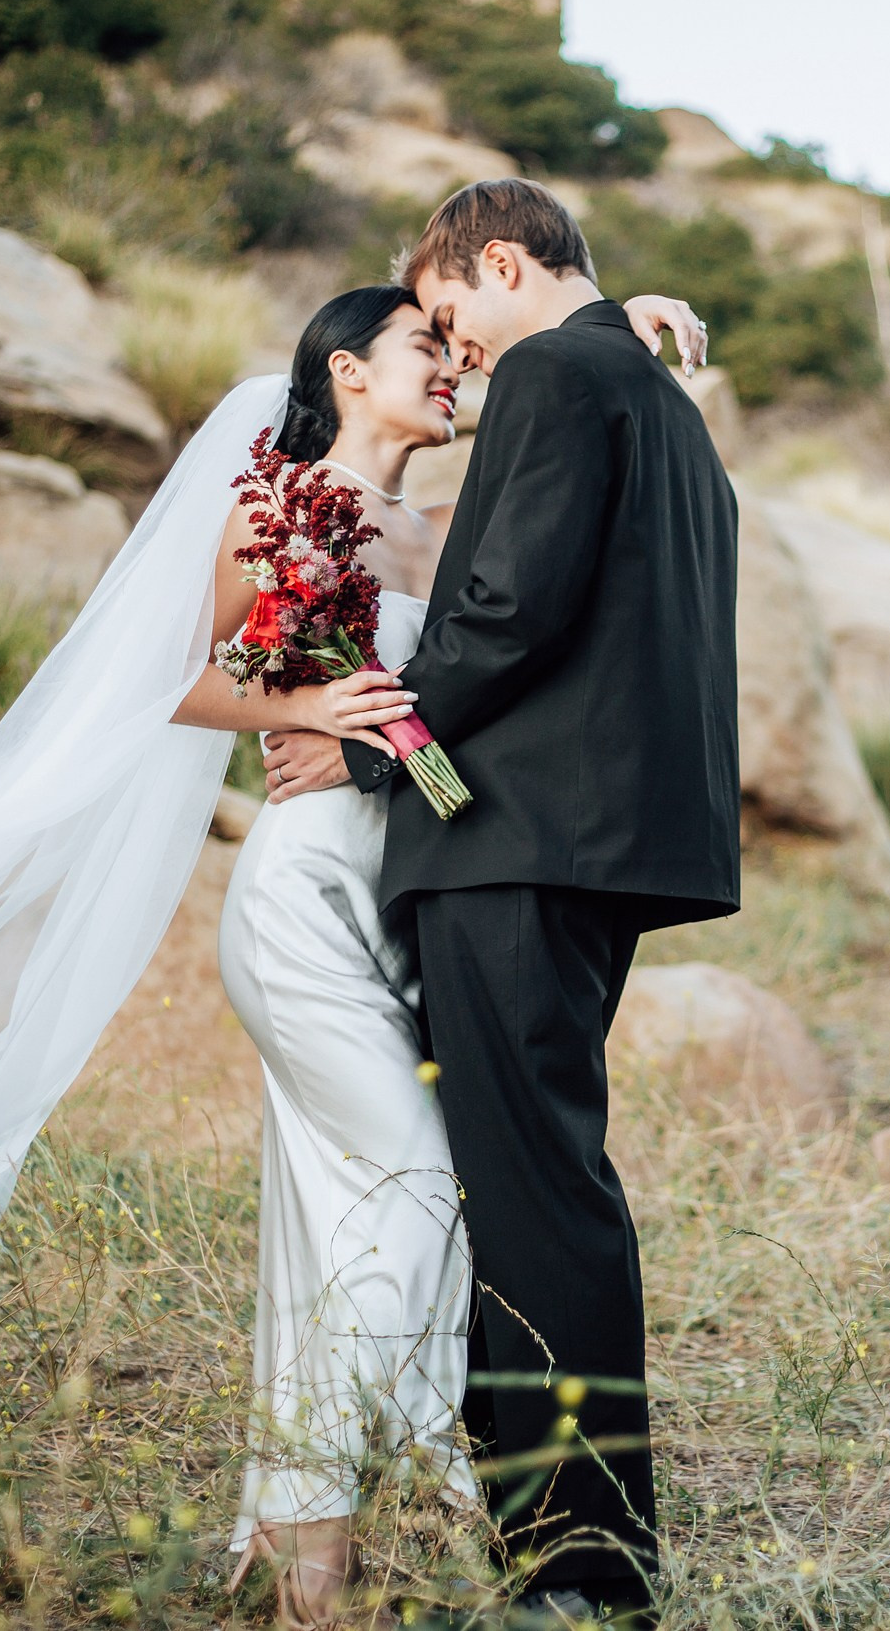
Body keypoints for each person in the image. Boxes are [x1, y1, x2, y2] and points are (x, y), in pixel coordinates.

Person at [169, 279, 709, 1628]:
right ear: (350, 370)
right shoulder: (278, 505)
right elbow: (182, 682)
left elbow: (558, 414)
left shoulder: (442, 526)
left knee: (351, 1216)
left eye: (460, 345)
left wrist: (626, 319)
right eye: (428, 345)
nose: (456, 366)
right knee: (415, 1183)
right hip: (305, 900)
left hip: (412, 895)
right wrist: (310, 701)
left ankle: (311, 1570)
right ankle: (367, 1543)